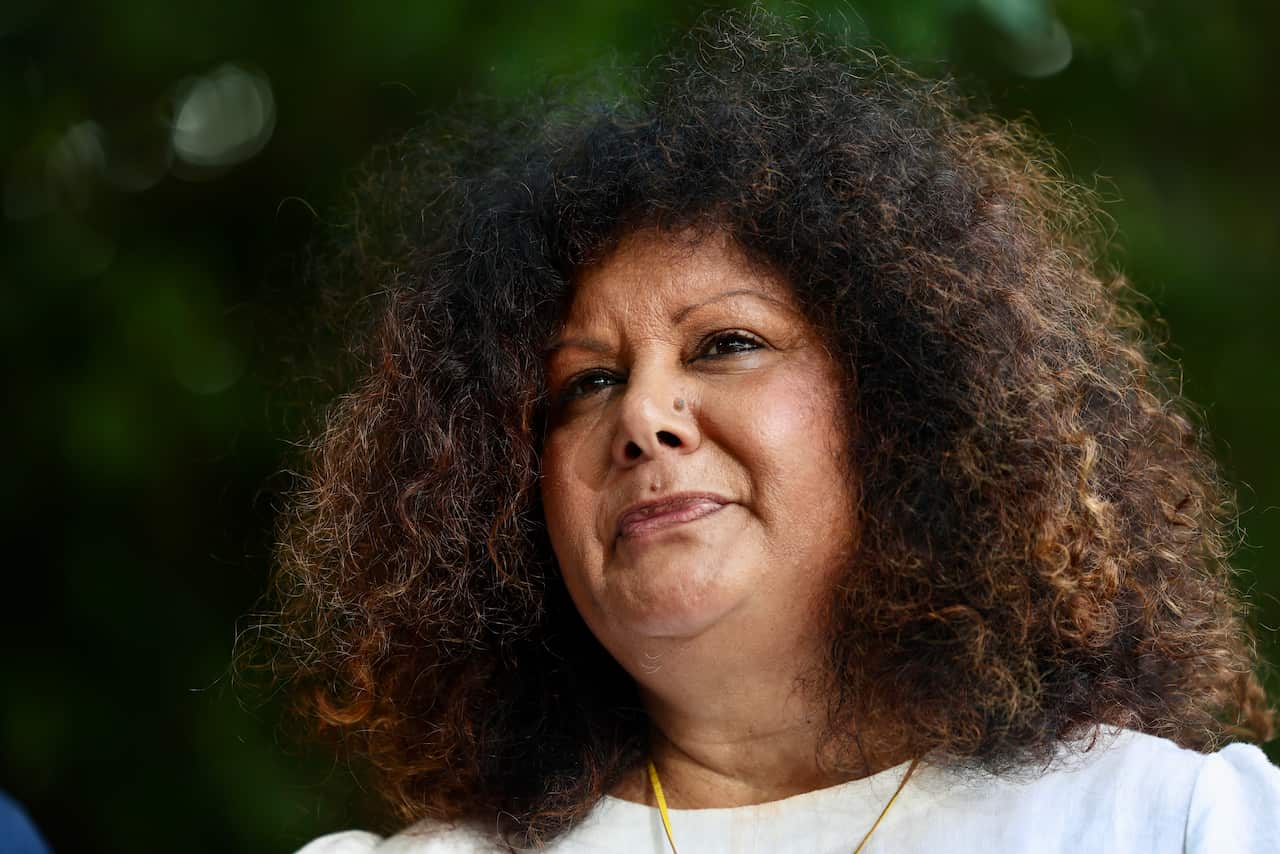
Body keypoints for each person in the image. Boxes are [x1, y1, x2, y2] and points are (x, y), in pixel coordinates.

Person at [267, 8, 1280, 852]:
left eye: (724, 343)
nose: (641, 417)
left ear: (900, 409)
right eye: (585, 383)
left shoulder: (1167, 821)